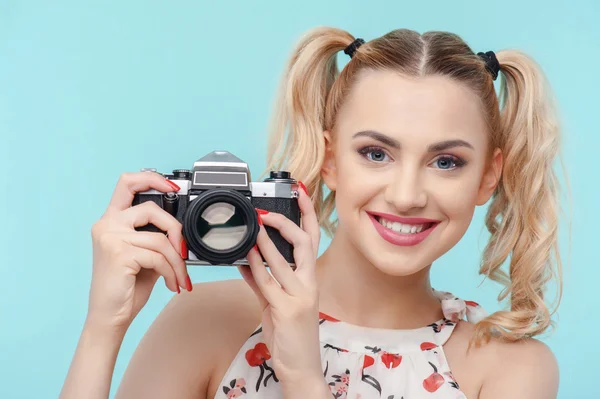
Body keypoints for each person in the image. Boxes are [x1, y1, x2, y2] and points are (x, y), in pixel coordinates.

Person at [60, 26, 566, 399]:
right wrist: (102, 327)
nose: (408, 194)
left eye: (446, 161)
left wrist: (303, 375)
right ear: (329, 161)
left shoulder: (510, 371)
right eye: (376, 153)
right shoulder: (207, 319)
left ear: (487, 177)